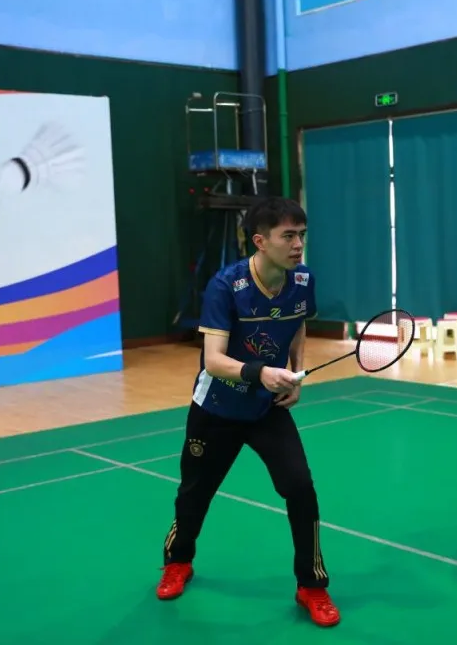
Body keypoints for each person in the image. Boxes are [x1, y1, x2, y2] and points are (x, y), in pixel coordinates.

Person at [153, 196, 340, 628]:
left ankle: (311, 584)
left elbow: (297, 322)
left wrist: (295, 372)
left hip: (265, 408)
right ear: (260, 241)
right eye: (288, 236)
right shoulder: (226, 285)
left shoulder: (303, 280)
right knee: (195, 493)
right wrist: (261, 373)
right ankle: (178, 561)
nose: (298, 245)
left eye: (302, 235)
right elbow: (214, 361)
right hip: (216, 408)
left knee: (301, 488)